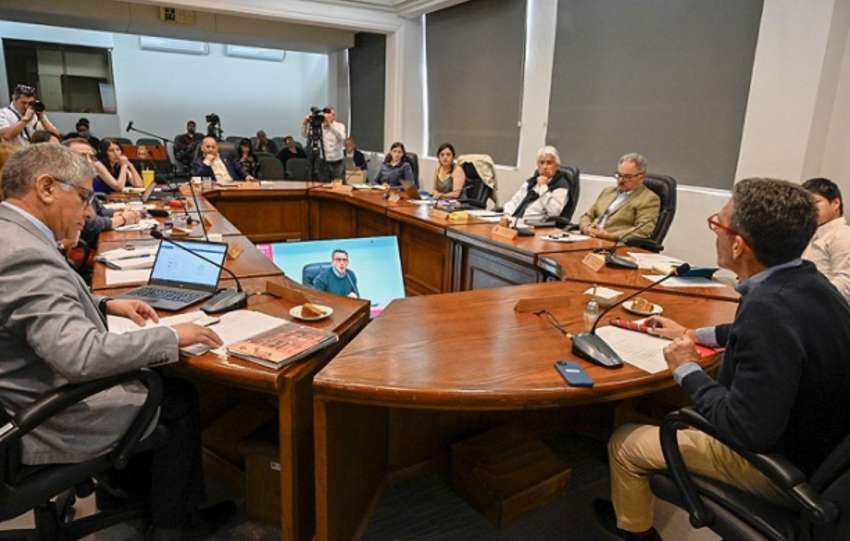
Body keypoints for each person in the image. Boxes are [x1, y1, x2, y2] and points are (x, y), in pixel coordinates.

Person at [593, 178, 850, 541]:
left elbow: (745, 429)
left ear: (739, 244)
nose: (715, 231)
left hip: (783, 465)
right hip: (821, 447)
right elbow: (773, 333)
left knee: (626, 443)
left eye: (717, 224)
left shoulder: (767, 309)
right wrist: (696, 334)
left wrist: (686, 369)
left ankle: (636, 534)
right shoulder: (808, 281)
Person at [0, 143, 233, 539]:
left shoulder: (11, 232)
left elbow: (35, 306)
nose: (89, 212)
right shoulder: (24, 254)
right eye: (84, 197)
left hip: (19, 394)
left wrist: (106, 304)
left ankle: (126, 492)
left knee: (150, 380)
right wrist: (170, 336)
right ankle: (175, 527)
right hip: (40, 418)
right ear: (46, 188)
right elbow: (81, 357)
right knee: (176, 396)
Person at [579, 153, 660, 241]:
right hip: (590, 237)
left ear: (641, 178)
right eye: (619, 175)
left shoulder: (649, 199)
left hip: (613, 243)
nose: (621, 180)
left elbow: (642, 230)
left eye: (627, 177)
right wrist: (587, 228)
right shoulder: (608, 191)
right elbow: (587, 215)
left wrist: (609, 235)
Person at [802, 177, 850, 301]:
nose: (810, 208)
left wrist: (808, 299)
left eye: (816, 202)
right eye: (806, 204)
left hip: (822, 306)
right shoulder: (812, 233)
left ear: (836, 203)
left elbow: (846, 282)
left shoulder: (842, 234)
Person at [503, 145, 570, 221]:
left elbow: (554, 212)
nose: (545, 167)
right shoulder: (531, 182)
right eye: (542, 162)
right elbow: (514, 202)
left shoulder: (561, 186)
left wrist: (543, 187)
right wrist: (508, 215)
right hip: (514, 221)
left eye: (549, 163)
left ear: (557, 166)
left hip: (534, 225)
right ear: (538, 166)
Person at [301, 106, 346, 181]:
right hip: (324, 161)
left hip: (337, 162)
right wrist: (305, 124)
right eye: (325, 113)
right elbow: (304, 135)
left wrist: (330, 125)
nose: (327, 116)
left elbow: (342, 137)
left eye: (329, 113)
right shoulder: (319, 127)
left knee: (337, 185)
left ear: (334, 116)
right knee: (324, 184)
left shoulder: (340, 126)